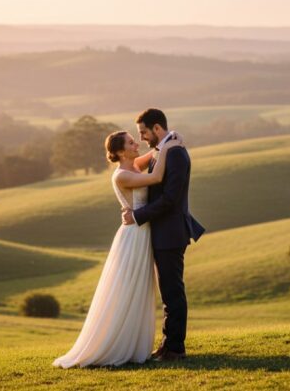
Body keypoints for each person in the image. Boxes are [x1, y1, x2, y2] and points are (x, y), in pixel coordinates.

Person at [52, 129, 183, 368]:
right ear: (121, 151)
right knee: (127, 288)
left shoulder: (133, 165)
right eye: (132, 143)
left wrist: (164, 143)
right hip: (133, 236)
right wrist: (171, 146)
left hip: (143, 233)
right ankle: (115, 343)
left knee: (139, 289)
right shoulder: (122, 175)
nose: (136, 144)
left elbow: (153, 156)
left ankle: (134, 344)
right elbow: (157, 177)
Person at [122, 108, 205, 362]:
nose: (143, 137)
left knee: (173, 292)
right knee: (169, 292)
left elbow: (170, 199)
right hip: (163, 232)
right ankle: (167, 344)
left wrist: (137, 216)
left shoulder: (176, 153)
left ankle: (176, 349)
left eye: (144, 132)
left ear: (157, 128)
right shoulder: (164, 149)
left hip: (171, 233)